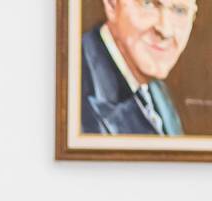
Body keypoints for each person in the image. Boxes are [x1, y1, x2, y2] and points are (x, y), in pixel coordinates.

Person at [81, 0, 198, 135]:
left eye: (180, 10)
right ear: (112, 5)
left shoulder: (157, 92)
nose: (165, 30)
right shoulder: (75, 92)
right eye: (148, 4)